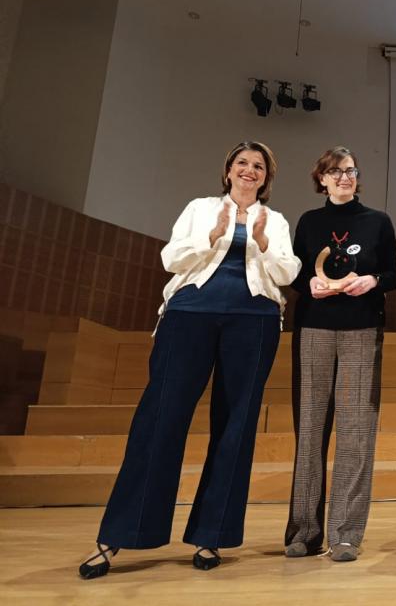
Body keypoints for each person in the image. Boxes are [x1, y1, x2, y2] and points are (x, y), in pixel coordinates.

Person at [78, 141, 301, 579]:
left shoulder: (274, 220)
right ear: (228, 171)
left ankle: (210, 534)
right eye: (242, 163)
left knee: (235, 427)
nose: (249, 171)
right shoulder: (200, 209)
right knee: (159, 419)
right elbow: (169, 259)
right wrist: (213, 235)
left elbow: (288, 273)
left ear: (266, 178)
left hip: (252, 323)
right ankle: (119, 533)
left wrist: (261, 243)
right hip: (189, 316)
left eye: (258, 167)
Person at [283, 146, 396, 562]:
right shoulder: (309, 221)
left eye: (350, 170)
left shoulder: (378, 222)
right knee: (310, 429)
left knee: (355, 434)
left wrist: (371, 281)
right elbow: (295, 270)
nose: (344, 177)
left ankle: (346, 534)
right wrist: (305, 284)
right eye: (335, 172)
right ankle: (304, 532)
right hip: (313, 327)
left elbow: (393, 275)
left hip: (362, 330)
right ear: (322, 180)